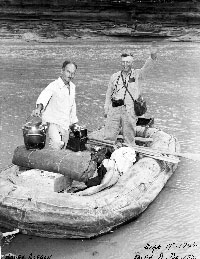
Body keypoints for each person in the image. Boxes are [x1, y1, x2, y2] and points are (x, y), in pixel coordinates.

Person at [103, 42, 158, 146]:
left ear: (132, 62)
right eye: (123, 62)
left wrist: (153, 55)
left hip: (129, 111)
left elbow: (148, 66)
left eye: (128, 62)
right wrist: (106, 108)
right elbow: (108, 94)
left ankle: (130, 155)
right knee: (108, 138)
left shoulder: (138, 74)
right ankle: (107, 156)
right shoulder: (114, 76)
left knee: (129, 139)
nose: (125, 64)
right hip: (114, 110)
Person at [32, 60, 78, 150]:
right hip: (52, 123)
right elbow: (43, 97)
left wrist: (74, 123)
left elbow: (72, 105)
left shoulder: (72, 87)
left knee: (64, 147)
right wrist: (38, 109)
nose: (70, 75)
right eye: (68, 72)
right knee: (56, 145)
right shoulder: (53, 85)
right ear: (62, 71)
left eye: (73, 73)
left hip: (65, 123)